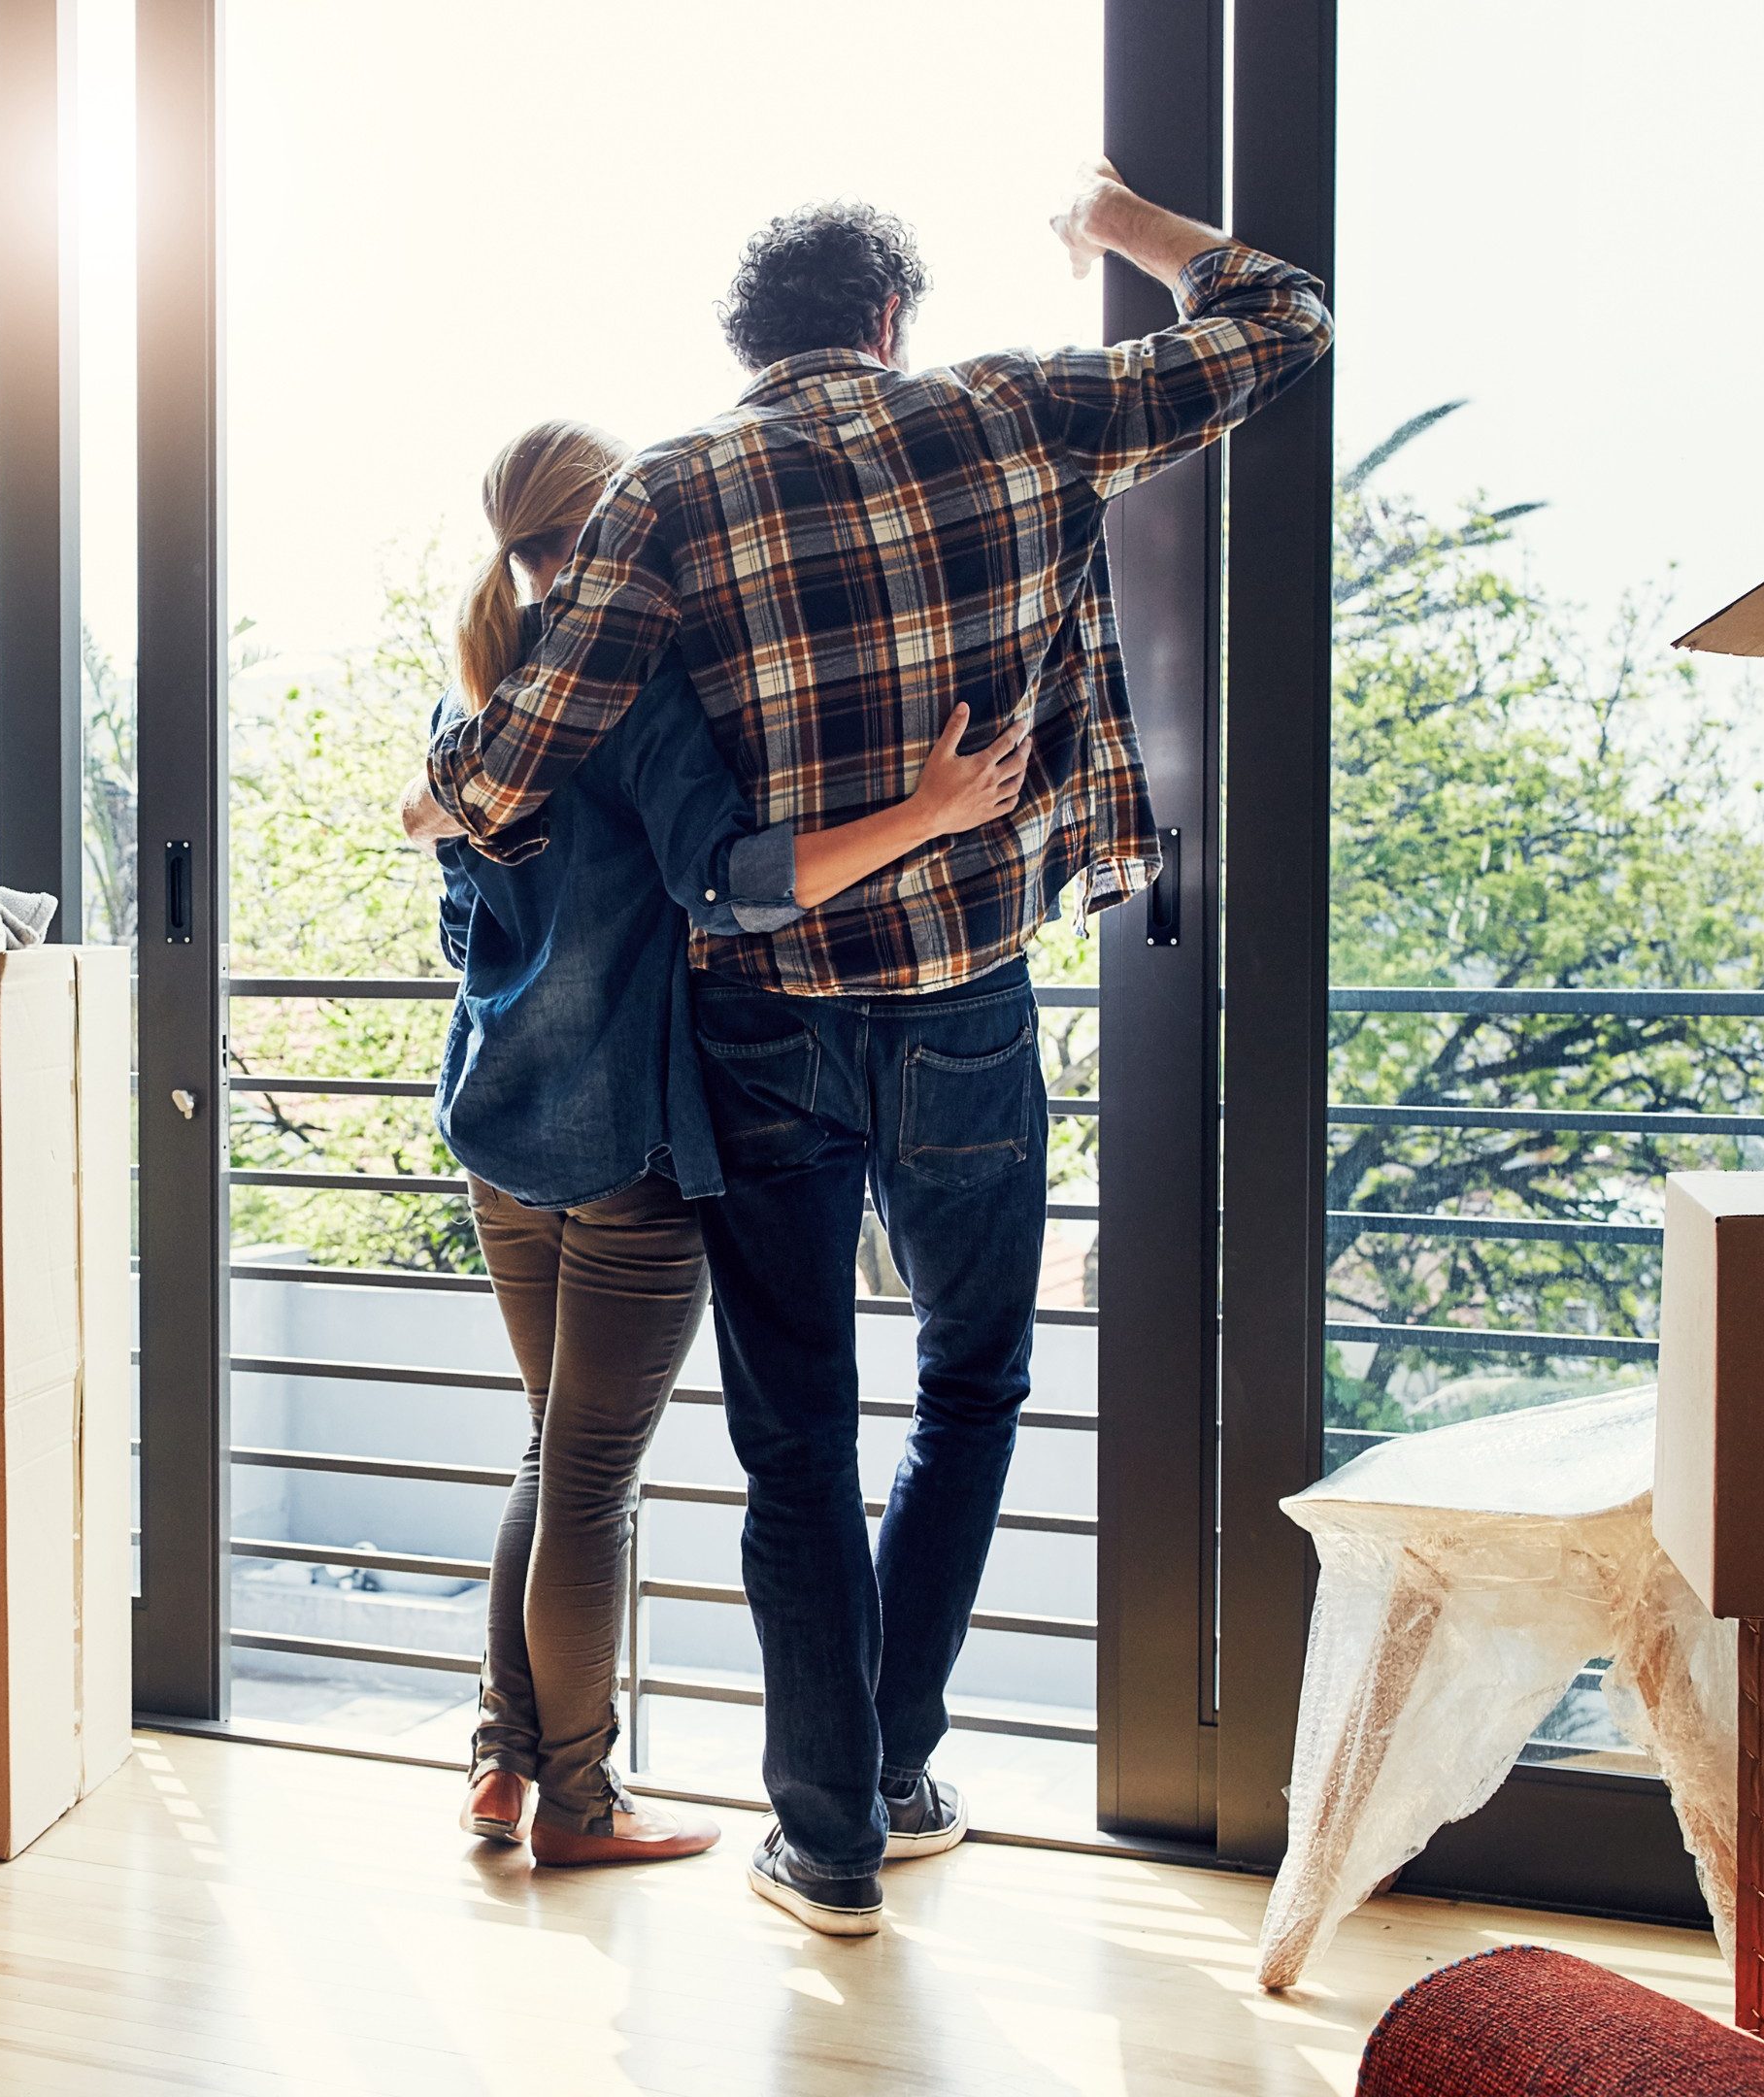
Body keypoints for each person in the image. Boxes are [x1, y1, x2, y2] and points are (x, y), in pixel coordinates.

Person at [420, 164, 1333, 1936]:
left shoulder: (668, 498)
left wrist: (446, 786)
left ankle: (828, 1842)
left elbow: (499, 777)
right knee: (972, 1383)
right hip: (968, 1003)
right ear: (890, 321)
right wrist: (1127, 228)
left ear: (746, 343)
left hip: (765, 1027)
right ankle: (900, 1765)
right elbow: (1283, 318)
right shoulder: (1016, 408)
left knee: (794, 1442)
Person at [413, 420, 1030, 1869]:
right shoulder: (636, 695)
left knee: (551, 1456)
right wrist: (929, 810)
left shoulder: (486, 704)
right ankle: (576, 1802)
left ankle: (503, 1769)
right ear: (620, 526)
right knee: (592, 1477)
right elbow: (730, 883)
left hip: (498, 1132)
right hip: (626, 1149)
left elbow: (463, 924)